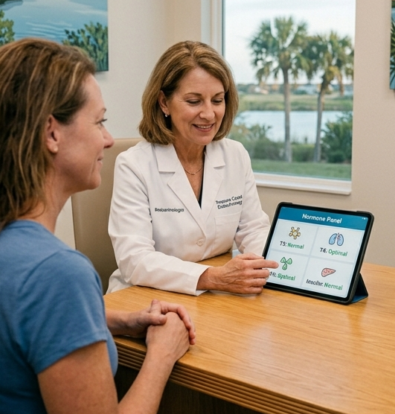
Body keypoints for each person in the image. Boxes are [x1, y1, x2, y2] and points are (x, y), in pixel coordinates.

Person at [0, 38, 217, 414]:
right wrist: (162, 354)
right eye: (99, 122)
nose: (109, 140)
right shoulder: (59, 272)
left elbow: (22, 320)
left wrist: (111, 318)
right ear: (52, 133)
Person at [107, 41, 278, 296]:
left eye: (217, 100)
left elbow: (253, 229)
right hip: (145, 296)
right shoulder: (133, 165)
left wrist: (272, 267)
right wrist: (213, 277)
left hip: (215, 296)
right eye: (194, 101)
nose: (209, 114)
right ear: (164, 102)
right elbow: (135, 259)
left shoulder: (235, 155)